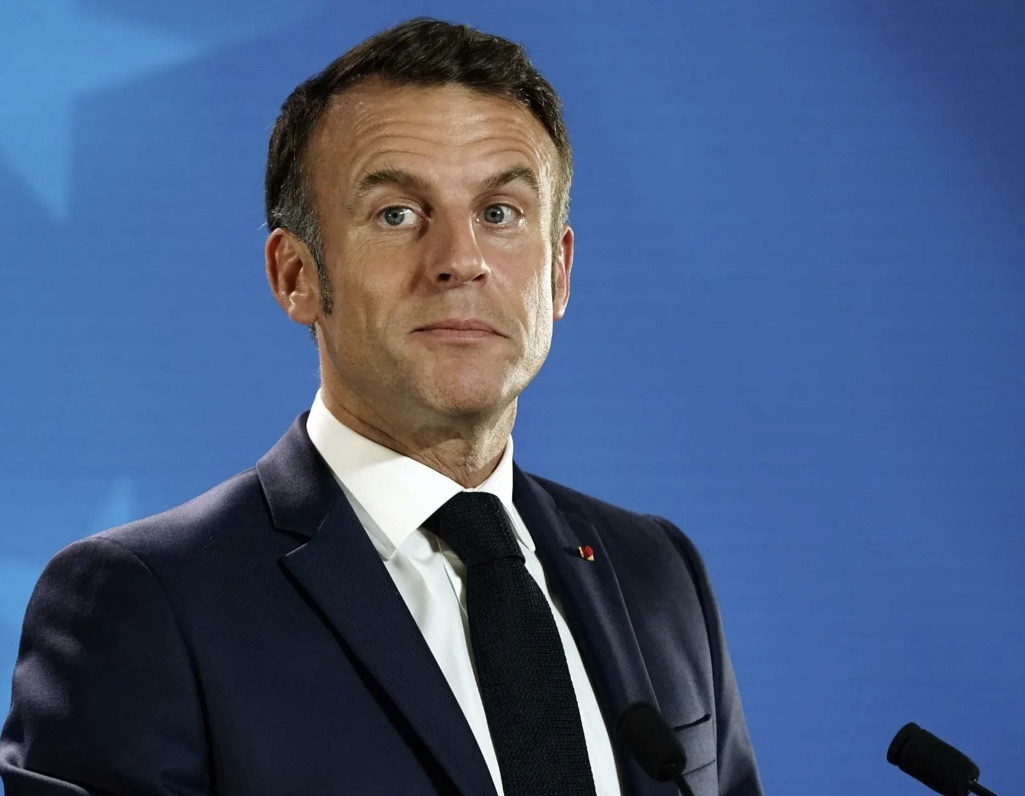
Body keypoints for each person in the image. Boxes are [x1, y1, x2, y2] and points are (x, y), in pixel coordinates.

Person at [0, 18, 763, 796]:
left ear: (557, 271)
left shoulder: (654, 571)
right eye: (397, 214)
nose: (460, 260)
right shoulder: (145, 602)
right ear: (296, 275)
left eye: (499, 213)